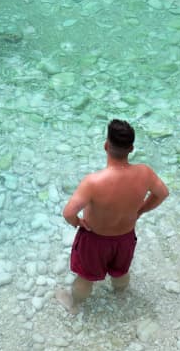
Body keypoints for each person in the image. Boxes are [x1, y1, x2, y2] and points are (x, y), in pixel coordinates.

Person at [57, 119, 169, 313]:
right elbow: (162, 193)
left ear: (106, 145)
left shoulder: (93, 181)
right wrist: (140, 210)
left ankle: (75, 305)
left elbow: (68, 213)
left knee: (85, 278)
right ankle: (120, 295)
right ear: (131, 148)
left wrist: (78, 223)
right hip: (125, 238)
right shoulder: (145, 173)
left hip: (95, 240)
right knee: (121, 272)